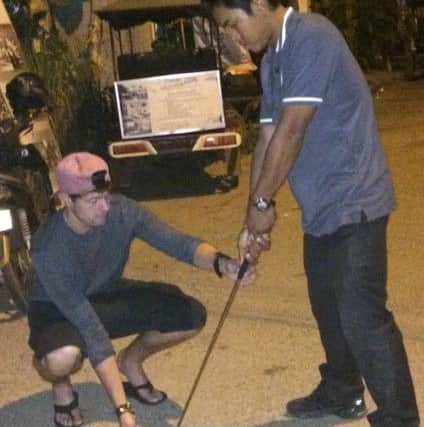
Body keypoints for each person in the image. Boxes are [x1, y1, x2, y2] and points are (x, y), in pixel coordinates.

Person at [202, 1, 420, 426]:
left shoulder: (311, 36)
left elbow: (293, 127)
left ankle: (401, 418)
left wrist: (266, 204)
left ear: (260, 4)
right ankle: (343, 392)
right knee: (328, 307)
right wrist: (253, 216)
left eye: (232, 24)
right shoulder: (272, 62)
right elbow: (265, 139)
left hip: (356, 200)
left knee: (362, 316)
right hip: (322, 209)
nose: (233, 37)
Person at [28, 151, 255, 427]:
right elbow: (92, 331)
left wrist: (222, 263)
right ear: (65, 200)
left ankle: (130, 362)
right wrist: (122, 408)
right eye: (93, 201)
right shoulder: (48, 247)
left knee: (189, 315)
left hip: (104, 294)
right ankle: (61, 386)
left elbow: (178, 243)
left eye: (106, 196)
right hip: (56, 310)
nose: (105, 208)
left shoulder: (123, 210)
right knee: (62, 358)